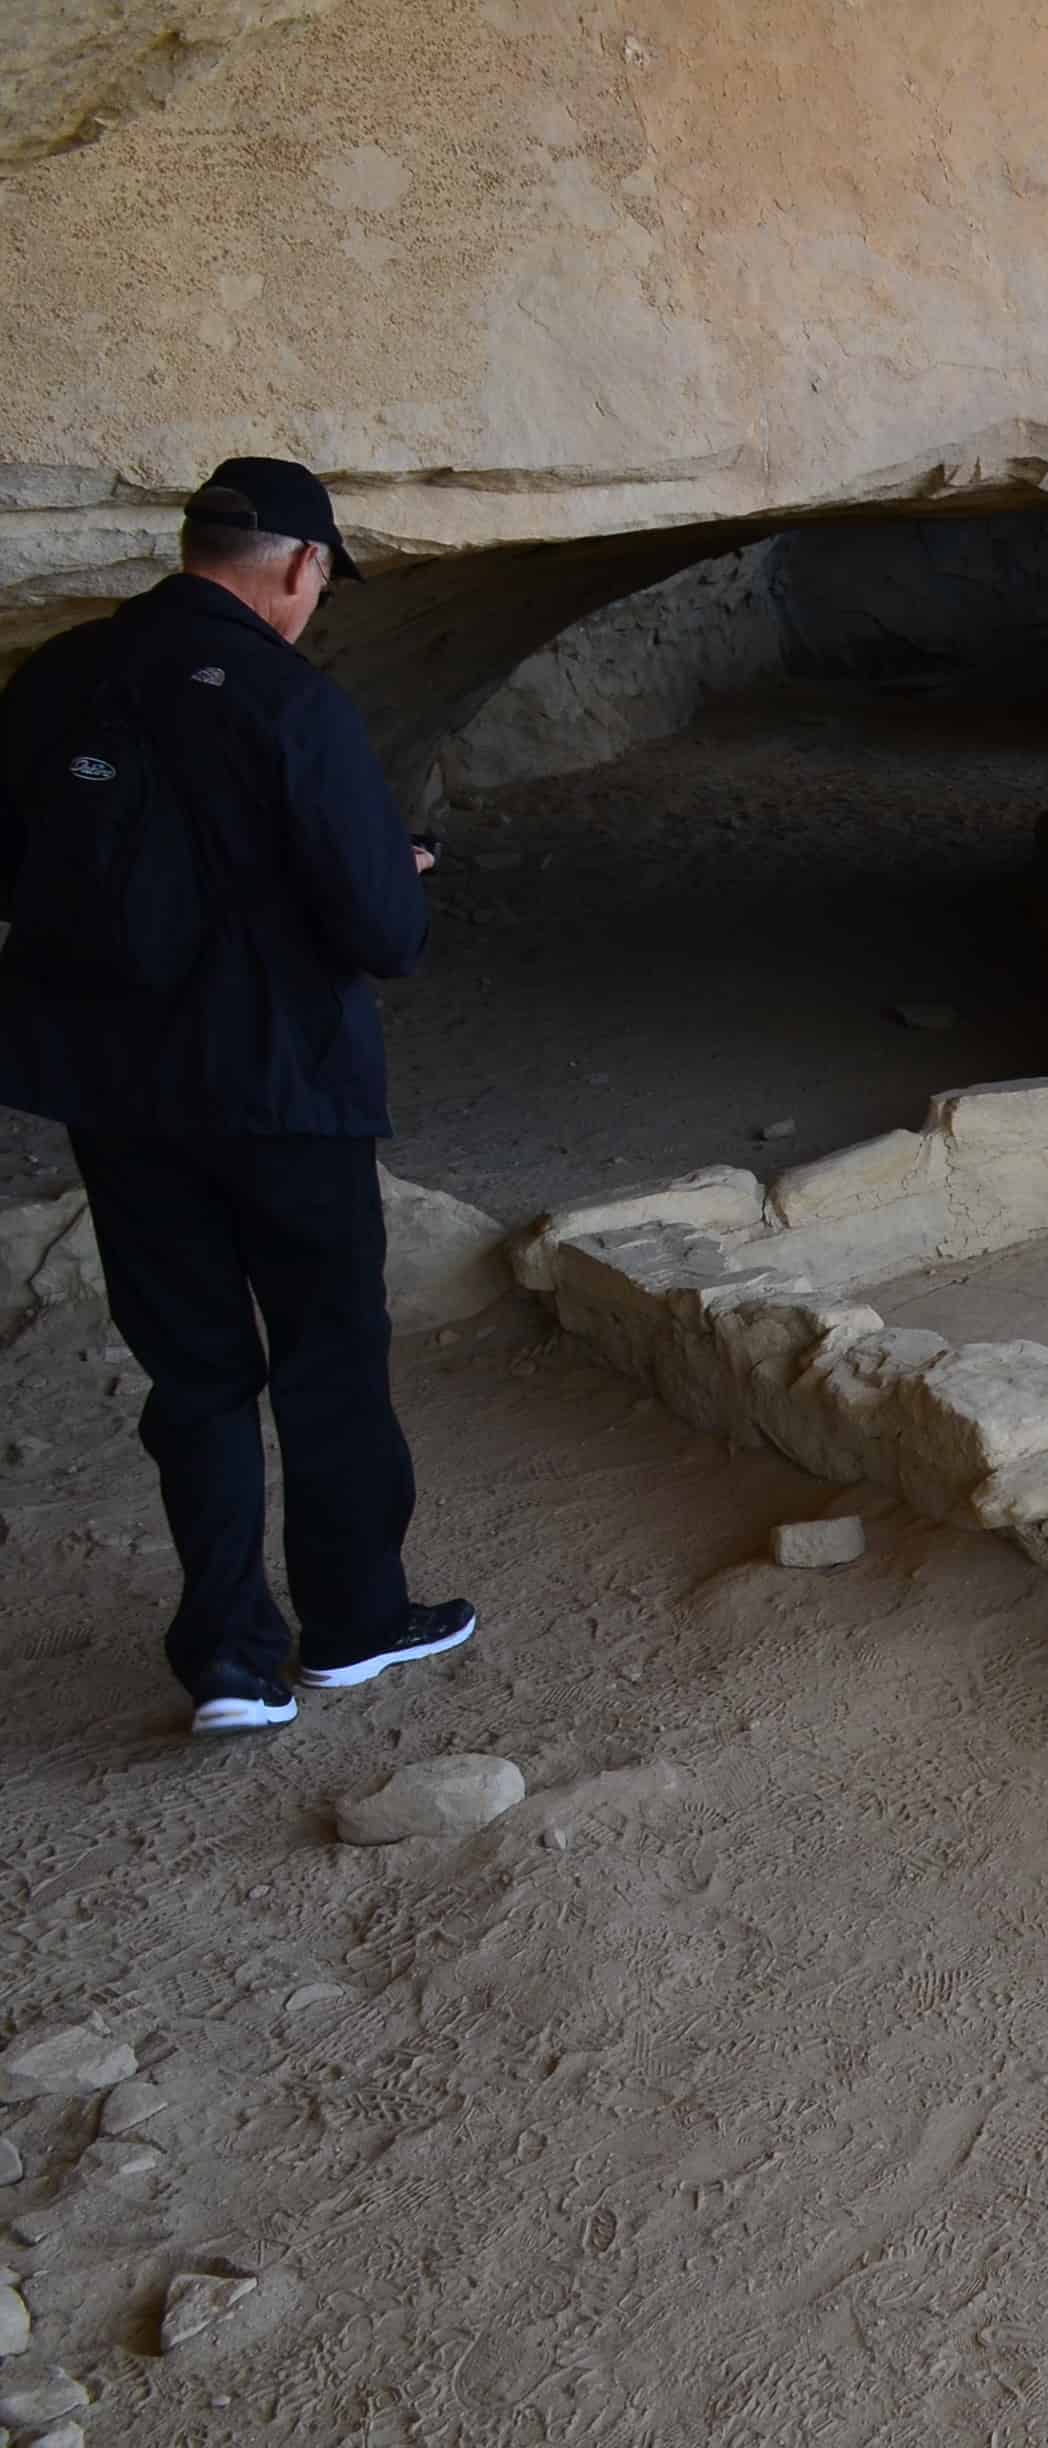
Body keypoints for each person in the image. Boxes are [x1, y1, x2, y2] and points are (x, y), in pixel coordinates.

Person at [0, 458, 477, 1738]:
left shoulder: (50, 682)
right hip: (284, 1089)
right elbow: (384, 931)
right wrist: (397, 868)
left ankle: (227, 1662)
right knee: (327, 1351)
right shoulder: (288, 699)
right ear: (303, 567)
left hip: (116, 1092)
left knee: (195, 1371)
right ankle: (353, 1627)